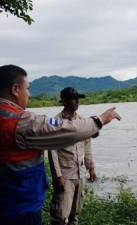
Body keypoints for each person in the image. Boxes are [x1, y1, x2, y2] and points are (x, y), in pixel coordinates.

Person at [0, 65, 121, 225]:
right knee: (60, 215)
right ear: (16, 89)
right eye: (27, 88)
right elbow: (65, 130)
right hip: (20, 210)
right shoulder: (20, 122)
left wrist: (90, 165)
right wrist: (100, 120)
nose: (28, 94)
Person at [48, 87, 96, 225]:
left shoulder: (82, 121)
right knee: (61, 215)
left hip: (80, 174)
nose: (76, 102)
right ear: (63, 101)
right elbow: (52, 150)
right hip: (65, 175)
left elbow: (87, 145)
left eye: (77, 99)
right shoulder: (55, 122)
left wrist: (91, 167)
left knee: (75, 215)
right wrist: (57, 176)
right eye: (72, 99)